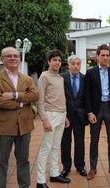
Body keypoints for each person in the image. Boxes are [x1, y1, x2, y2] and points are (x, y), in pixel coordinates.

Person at [0, 47, 39, 188]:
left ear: (19, 59)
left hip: (24, 126)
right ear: (2, 59)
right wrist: (22, 103)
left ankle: (24, 186)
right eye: (9, 56)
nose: (13, 58)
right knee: (2, 162)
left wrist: (14, 95)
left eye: (15, 56)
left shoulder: (27, 79)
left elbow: (35, 96)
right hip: (4, 126)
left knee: (23, 161)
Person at [84, 44, 110, 180]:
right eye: (102, 55)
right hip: (96, 110)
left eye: (107, 55)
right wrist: (89, 112)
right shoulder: (90, 73)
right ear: (97, 57)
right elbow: (86, 95)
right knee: (94, 140)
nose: (105, 58)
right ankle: (93, 168)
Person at [36, 49, 70, 188]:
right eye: (54, 60)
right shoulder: (44, 77)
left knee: (56, 147)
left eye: (59, 60)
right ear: (49, 62)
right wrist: (44, 119)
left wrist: (65, 116)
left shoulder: (60, 78)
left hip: (62, 115)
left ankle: (54, 174)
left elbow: (61, 99)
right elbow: (40, 100)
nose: (57, 62)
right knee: (46, 147)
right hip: (50, 115)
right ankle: (40, 181)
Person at [60, 55, 88, 177]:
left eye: (78, 64)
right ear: (69, 65)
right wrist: (62, 114)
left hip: (80, 116)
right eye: (73, 64)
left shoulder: (85, 78)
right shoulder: (61, 78)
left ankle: (80, 166)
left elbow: (87, 98)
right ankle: (66, 167)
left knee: (80, 141)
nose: (76, 66)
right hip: (65, 116)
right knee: (65, 142)